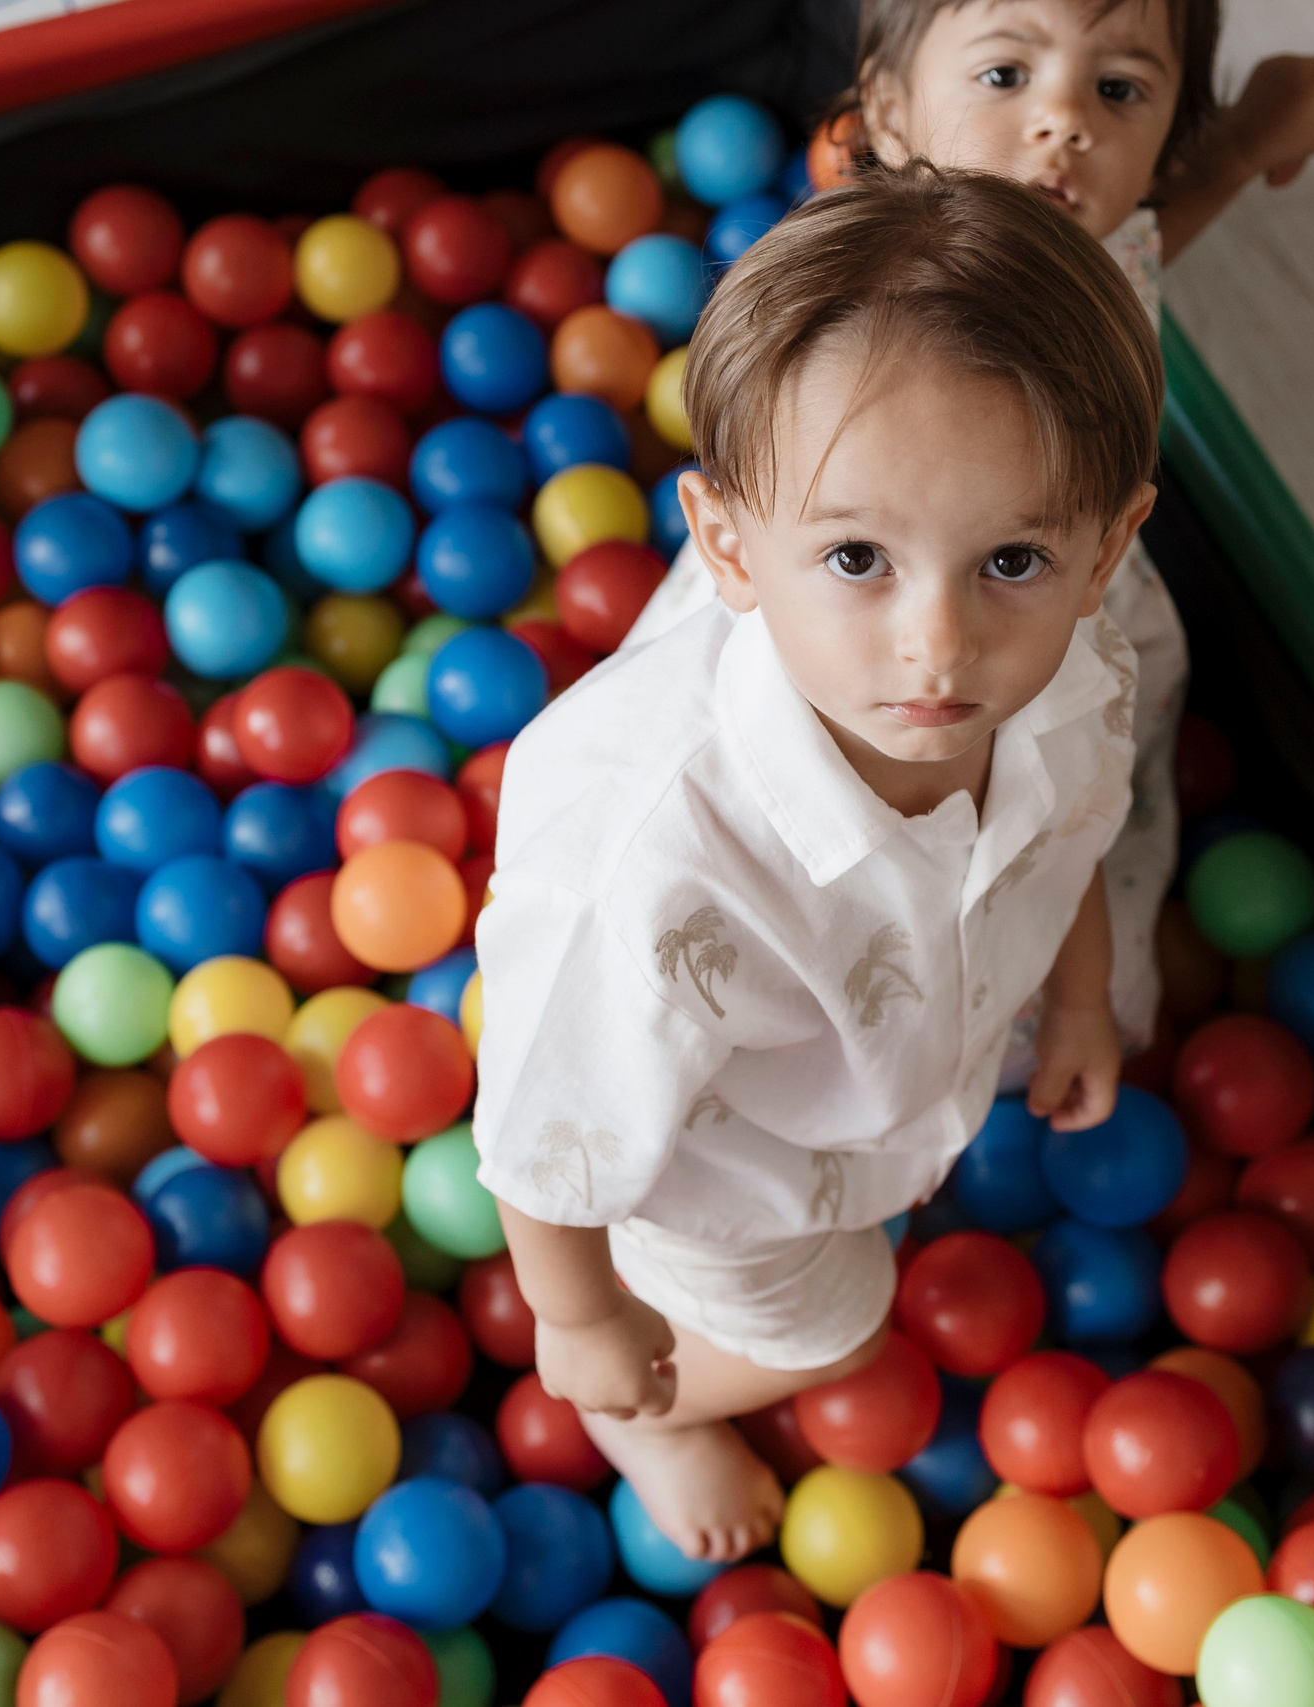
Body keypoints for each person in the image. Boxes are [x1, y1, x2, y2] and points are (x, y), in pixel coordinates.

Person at [475, 166, 1158, 1561]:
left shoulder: (1080, 674)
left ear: (1107, 553)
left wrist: (1079, 997)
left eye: (1012, 558)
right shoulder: (661, 857)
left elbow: (1066, 833)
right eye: (857, 556)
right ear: (726, 540)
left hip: (898, 1088)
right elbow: (550, 1112)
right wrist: (585, 1316)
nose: (939, 644)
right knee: (836, 1328)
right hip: (728, 1178)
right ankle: (650, 1421)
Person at [631, 0, 1314, 1057]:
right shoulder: (858, 310)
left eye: (1118, 90)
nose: (1064, 121)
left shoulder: (1102, 248)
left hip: (1051, 617)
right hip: (845, 639)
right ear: (886, 112)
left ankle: (1029, 1006)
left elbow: (1148, 238)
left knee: (1051, 804)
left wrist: (1252, 139)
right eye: (1003, 78)